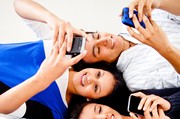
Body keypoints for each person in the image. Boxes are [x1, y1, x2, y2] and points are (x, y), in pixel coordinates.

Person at [14, 0, 180, 92]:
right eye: (98, 50)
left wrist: (158, 3)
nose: (105, 40)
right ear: (103, 65)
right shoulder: (136, 79)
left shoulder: (135, 20)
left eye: (97, 36)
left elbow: (19, 4)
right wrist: (164, 48)